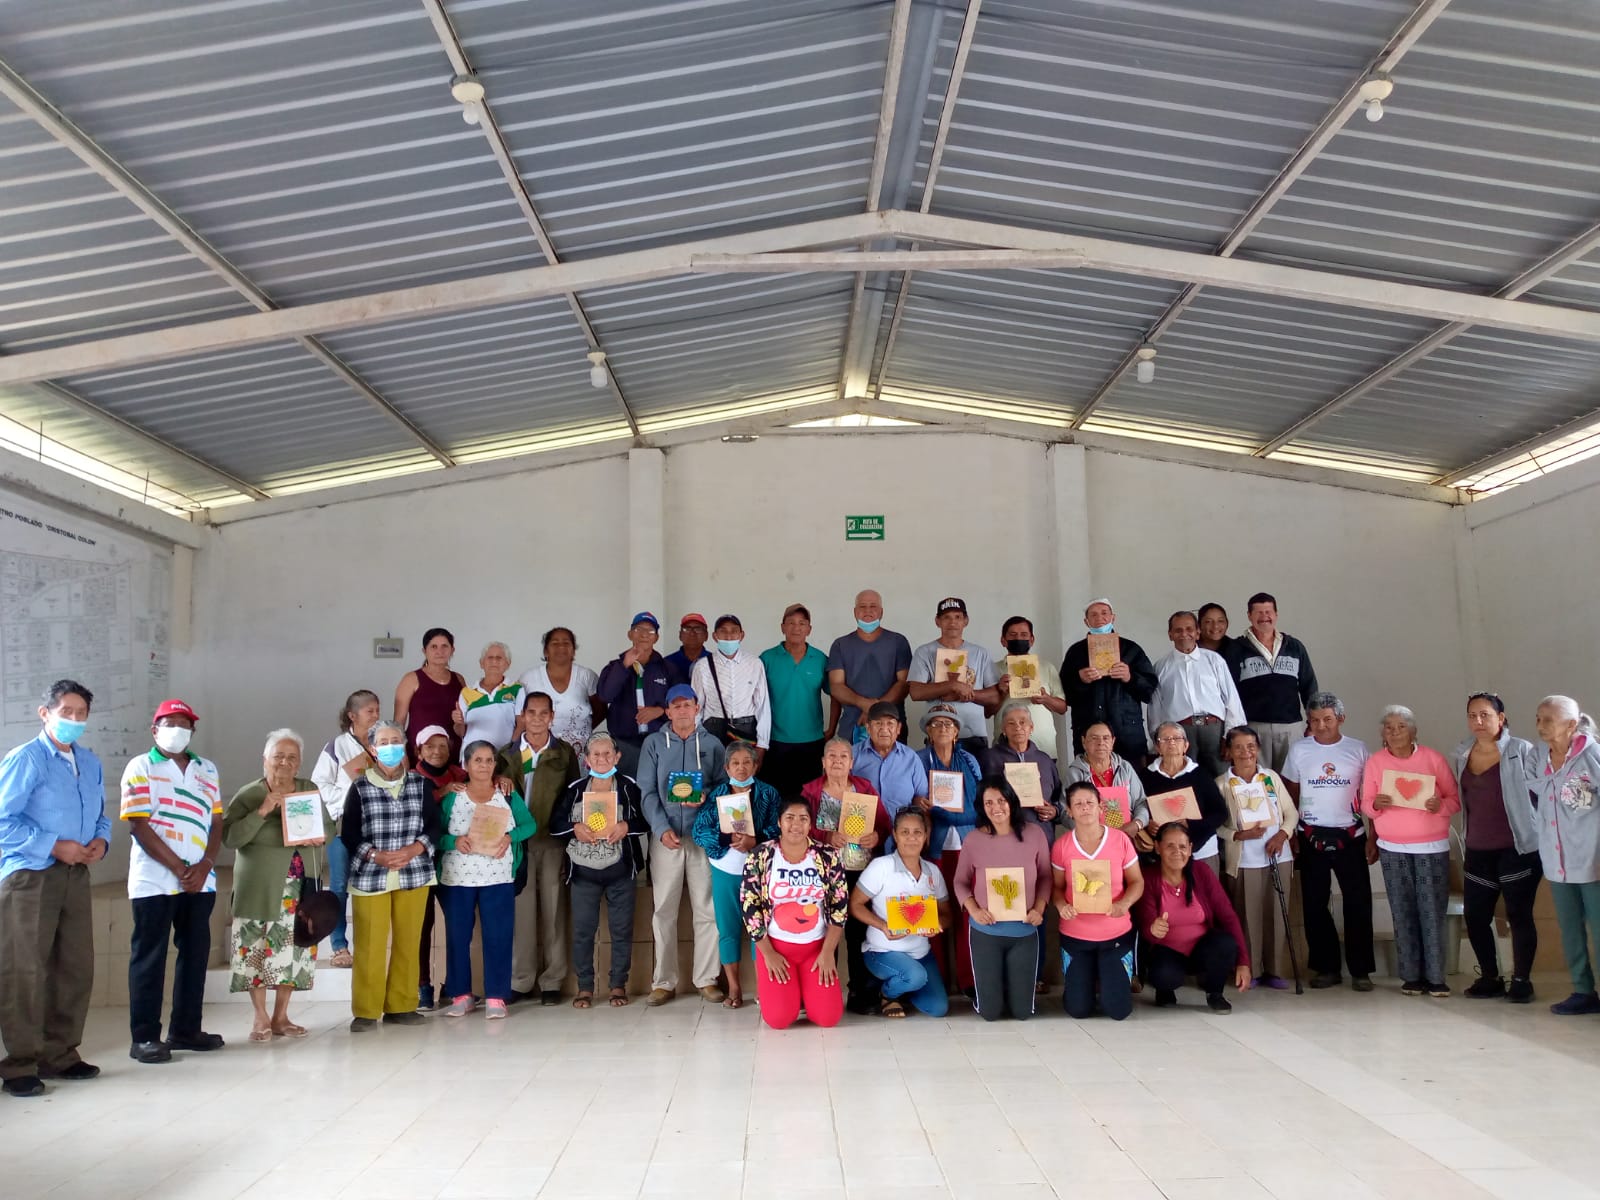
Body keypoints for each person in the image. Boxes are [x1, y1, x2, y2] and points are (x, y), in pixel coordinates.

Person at [0, 680, 108, 1098]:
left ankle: (60, 1054)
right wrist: (52, 845)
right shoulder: (26, 759)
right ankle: (19, 1063)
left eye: (81, 714)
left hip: (75, 874)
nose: (74, 720)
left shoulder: (89, 762)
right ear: (45, 713)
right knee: (25, 969)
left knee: (75, 966)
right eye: (67, 712)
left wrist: (101, 841)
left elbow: (100, 814)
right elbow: (3, 822)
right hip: (30, 876)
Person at [119, 698, 224, 1064]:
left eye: (184, 724)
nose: (178, 730)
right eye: (170, 723)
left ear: (193, 731)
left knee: (195, 956)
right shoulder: (141, 766)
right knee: (150, 957)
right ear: (155, 730)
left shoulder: (206, 769)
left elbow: (216, 822)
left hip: (200, 882)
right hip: (154, 882)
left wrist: (205, 865)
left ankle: (186, 1030)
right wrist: (180, 869)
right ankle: (144, 1037)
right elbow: (138, 824)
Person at [223, 728, 333, 1044]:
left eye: (292, 757)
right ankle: (260, 1016)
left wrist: (319, 836)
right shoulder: (249, 794)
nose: (285, 762)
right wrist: (262, 812)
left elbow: (328, 828)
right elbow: (231, 837)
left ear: (299, 763)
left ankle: (281, 1016)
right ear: (265, 760)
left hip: (300, 885)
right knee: (255, 949)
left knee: (295, 949)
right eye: (278, 756)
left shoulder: (308, 789)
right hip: (260, 885)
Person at [341, 720, 441, 1033]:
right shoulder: (360, 787)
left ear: (405, 746)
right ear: (372, 749)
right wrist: (376, 855)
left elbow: (435, 826)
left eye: (395, 741)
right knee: (370, 946)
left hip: (415, 873)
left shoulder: (421, 784)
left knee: (409, 941)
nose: (390, 747)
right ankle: (366, 1011)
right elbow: (349, 833)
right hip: (371, 875)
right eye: (383, 742)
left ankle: (402, 1006)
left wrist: (414, 849)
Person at [1361, 706, 1461, 997]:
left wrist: (1439, 806)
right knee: (1402, 910)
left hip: (1431, 848)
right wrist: (1375, 805)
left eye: (1401, 726)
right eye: (1389, 727)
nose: (1394, 732)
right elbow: (1365, 803)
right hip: (1392, 848)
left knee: (1432, 910)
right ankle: (1411, 976)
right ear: (1382, 733)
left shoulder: (1433, 759)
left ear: (1414, 731)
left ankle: (1436, 977)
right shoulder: (1375, 762)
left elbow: (1454, 800)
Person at [639, 684, 727, 1005]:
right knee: (663, 909)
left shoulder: (713, 744)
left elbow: (724, 786)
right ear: (667, 711)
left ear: (697, 708)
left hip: (702, 837)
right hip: (666, 839)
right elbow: (647, 792)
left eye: (687, 705)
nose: (682, 711)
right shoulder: (653, 743)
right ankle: (664, 981)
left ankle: (707, 979)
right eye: (675, 706)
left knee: (707, 909)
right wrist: (661, 829)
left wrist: (706, 797)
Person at [1281, 692, 1374, 992]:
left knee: (1358, 903)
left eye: (1328, 719)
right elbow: (1290, 793)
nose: (1321, 726)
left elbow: (1371, 796)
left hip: (1351, 835)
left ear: (1341, 719)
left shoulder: (1358, 749)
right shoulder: (1299, 750)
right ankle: (1326, 967)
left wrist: (1374, 836)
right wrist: (1292, 833)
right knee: (1314, 904)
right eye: (1315, 720)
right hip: (1311, 836)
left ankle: (1361, 971)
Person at [437, 740, 536, 1019]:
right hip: (457, 879)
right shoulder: (453, 797)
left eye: (489, 760)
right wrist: (453, 841)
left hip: (498, 877)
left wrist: (510, 837)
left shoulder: (506, 794)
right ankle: (461, 995)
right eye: (477, 760)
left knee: (498, 936)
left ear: (495, 764)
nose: (483, 765)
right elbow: (435, 834)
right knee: (458, 937)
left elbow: (530, 825)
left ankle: (496, 996)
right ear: (466, 764)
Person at [547, 732, 646, 1008]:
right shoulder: (575, 789)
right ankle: (585, 987)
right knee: (582, 931)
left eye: (607, 754)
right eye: (596, 755)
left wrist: (627, 826)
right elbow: (555, 825)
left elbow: (646, 820)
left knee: (621, 930)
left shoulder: (629, 787)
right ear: (587, 760)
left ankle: (618, 985)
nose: (602, 759)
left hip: (621, 870)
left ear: (617, 757)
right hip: (583, 873)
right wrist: (574, 828)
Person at [1452, 693, 1541, 1002]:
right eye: (1472, 715)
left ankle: (1521, 980)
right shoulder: (1462, 753)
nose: (1478, 721)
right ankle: (1490, 977)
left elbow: (1541, 793)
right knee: (1476, 915)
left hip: (1517, 848)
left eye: (1485, 715)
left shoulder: (1522, 750)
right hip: (1478, 848)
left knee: (1518, 915)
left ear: (1500, 718)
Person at [498, 691, 581, 1005]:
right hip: (517, 842)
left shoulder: (564, 753)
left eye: (543, 713)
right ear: (522, 716)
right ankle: (520, 980)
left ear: (552, 717)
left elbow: (574, 797)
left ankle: (552, 981)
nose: (536, 719)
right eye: (530, 713)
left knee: (553, 908)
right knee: (521, 911)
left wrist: (567, 839)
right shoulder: (506, 754)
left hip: (551, 840)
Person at [740, 796, 849, 1030]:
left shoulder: (827, 856)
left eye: (803, 818)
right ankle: (792, 995)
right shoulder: (761, 855)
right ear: (779, 822)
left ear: (811, 824)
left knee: (828, 1018)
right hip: (777, 949)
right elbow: (750, 907)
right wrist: (768, 953)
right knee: (778, 1020)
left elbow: (839, 908)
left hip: (815, 950)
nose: (796, 824)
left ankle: (807, 993)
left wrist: (828, 952)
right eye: (789, 818)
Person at [803, 736, 890, 1015]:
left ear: (851, 762)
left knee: (857, 932)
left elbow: (884, 824)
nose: (837, 761)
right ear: (823, 762)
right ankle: (823, 993)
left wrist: (876, 836)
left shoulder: (864, 789)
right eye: (832, 756)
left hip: (858, 872)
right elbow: (800, 829)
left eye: (843, 756)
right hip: (823, 873)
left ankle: (860, 993)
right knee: (824, 931)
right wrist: (826, 836)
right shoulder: (812, 791)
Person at [954, 777, 1052, 1021]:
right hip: (986, 931)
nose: (996, 807)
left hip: (1024, 931)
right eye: (989, 802)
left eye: (1001, 800)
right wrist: (974, 910)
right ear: (981, 807)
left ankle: (1012, 991)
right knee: (990, 1013)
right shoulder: (973, 840)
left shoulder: (1034, 834)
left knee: (1022, 1013)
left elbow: (1045, 877)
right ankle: (990, 995)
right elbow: (960, 882)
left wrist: (1039, 909)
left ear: (1011, 801)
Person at [692, 741, 780, 1009]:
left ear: (755, 765)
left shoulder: (768, 793)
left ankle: (763, 987)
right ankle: (734, 987)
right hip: (725, 869)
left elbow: (778, 830)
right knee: (727, 928)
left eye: (747, 762)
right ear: (727, 767)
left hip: (759, 870)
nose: (741, 768)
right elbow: (699, 832)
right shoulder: (715, 795)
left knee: (760, 928)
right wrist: (725, 837)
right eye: (735, 763)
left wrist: (756, 840)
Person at [1528, 696, 1600, 1016]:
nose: (1541, 725)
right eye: (1538, 718)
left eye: (1549, 719)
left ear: (1571, 724)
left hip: (1593, 858)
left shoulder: (1592, 756)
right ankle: (1583, 991)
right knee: (1570, 929)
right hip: (1556, 860)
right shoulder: (1536, 757)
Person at [1051, 781, 1144, 1020]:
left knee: (1118, 1011)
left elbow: (1137, 882)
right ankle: (1084, 983)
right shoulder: (1061, 846)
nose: (1085, 808)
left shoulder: (1120, 840)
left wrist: (1124, 904)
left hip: (1115, 934)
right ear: (1069, 811)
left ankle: (1111, 982)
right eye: (1078, 804)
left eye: (1090, 802)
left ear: (1101, 806)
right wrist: (1061, 906)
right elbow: (1057, 888)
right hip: (1076, 935)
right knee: (1078, 1010)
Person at [1135, 823, 1251, 1012]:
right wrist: (1152, 928)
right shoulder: (1148, 877)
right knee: (1164, 975)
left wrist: (1243, 962)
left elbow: (1228, 916)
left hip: (1201, 950)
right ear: (1157, 847)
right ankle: (1165, 990)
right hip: (1166, 952)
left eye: (1182, 846)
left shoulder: (1201, 872)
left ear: (1190, 849)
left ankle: (1215, 993)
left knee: (1225, 944)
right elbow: (1144, 921)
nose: (1177, 852)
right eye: (1170, 846)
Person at [1217, 726, 1297, 989]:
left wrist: (1282, 835)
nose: (1245, 752)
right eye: (1238, 747)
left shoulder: (1270, 777)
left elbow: (1291, 813)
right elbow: (1217, 827)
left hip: (1278, 856)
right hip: (1245, 861)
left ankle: (1275, 970)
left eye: (1251, 746)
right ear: (1229, 751)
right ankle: (1251, 969)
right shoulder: (1222, 784)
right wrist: (1238, 835)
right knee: (1248, 917)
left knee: (1276, 915)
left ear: (1258, 748)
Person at [852, 808, 952, 1017]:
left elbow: (946, 914)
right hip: (883, 951)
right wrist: (883, 926)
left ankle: (904, 986)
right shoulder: (881, 866)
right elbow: (855, 905)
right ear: (895, 835)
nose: (911, 838)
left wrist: (938, 924)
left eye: (917, 832)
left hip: (921, 953)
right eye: (905, 832)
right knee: (915, 976)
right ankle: (887, 994)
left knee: (938, 1008)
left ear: (926, 836)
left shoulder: (933, 871)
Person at [310, 689, 381, 968]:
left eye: (377, 710)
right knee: (340, 885)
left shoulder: (382, 741)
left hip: (375, 826)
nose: (375, 715)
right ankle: (339, 945)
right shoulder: (337, 746)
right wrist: (348, 796)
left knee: (370, 885)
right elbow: (319, 783)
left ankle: (368, 944)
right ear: (352, 715)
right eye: (369, 711)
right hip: (342, 823)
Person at [915, 703, 981, 996]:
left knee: (967, 912)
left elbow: (979, 802)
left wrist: (961, 815)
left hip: (967, 845)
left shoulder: (969, 760)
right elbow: (911, 794)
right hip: (933, 846)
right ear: (928, 732)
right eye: (936, 724)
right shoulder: (918, 759)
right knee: (933, 914)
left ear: (956, 732)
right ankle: (937, 980)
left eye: (949, 724)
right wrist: (918, 802)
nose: (943, 728)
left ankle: (969, 980)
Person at [1224, 594, 1318, 771]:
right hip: (1254, 728)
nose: (1264, 617)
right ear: (1249, 616)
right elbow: (1229, 693)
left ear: (1276, 614)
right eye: (1259, 612)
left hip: (1291, 727)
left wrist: (1313, 724)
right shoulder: (1236, 649)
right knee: (1258, 779)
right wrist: (1234, 731)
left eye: (1268, 612)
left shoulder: (1294, 646)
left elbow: (1309, 687)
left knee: (1292, 778)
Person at [1147, 611, 1245, 780]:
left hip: (1215, 731)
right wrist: (1158, 739)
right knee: (1186, 779)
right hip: (1181, 733)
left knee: (1223, 780)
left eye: (1189, 629)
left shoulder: (1214, 660)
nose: (1184, 634)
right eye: (1178, 630)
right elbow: (1155, 708)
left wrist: (1230, 735)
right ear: (1170, 635)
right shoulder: (1161, 667)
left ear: (1198, 632)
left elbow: (1231, 699)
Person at [410, 724, 466, 1011]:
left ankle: (453, 984)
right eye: (430, 746)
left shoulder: (460, 775)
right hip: (419, 861)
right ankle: (422, 985)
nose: (437, 751)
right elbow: (415, 811)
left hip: (452, 859)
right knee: (422, 925)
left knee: (457, 923)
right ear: (419, 750)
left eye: (443, 746)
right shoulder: (411, 779)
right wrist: (442, 792)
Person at [1061, 598, 1158, 764]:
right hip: (1088, 733)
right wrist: (1080, 680)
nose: (1100, 618)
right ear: (1086, 621)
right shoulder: (1076, 652)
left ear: (1113, 617)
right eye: (1093, 615)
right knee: (1091, 777)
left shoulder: (1131, 649)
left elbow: (1149, 691)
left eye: (1104, 613)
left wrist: (1129, 677)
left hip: (1127, 732)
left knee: (1131, 776)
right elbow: (1065, 694)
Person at [759, 603, 838, 800]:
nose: (796, 628)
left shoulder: (820, 659)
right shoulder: (767, 659)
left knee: (809, 797)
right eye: (791, 623)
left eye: (802, 623)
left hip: (811, 741)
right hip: (775, 740)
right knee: (776, 797)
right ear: (782, 627)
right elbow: (755, 699)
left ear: (809, 629)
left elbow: (836, 694)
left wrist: (831, 728)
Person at [908, 597, 1000, 758]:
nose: (952, 622)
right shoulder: (924, 652)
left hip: (973, 734)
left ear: (966, 621)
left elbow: (994, 697)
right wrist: (952, 685)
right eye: (946, 617)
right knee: (939, 775)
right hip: (938, 734)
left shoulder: (980, 653)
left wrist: (966, 694)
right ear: (937, 621)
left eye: (958, 617)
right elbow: (915, 692)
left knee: (975, 775)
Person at [596, 612, 685, 778]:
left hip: (660, 742)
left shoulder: (668, 669)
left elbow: (682, 703)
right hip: (624, 744)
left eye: (650, 631)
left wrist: (661, 710)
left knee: (658, 787)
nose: (644, 634)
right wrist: (624, 665)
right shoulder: (615, 667)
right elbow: (605, 695)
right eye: (639, 629)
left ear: (656, 638)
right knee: (627, 788)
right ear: (630, 634)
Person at [1137, 723, 1229, 877]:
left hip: (1202, 853)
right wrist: (1147, 824)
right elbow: (1137, 809)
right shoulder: (1146, 777)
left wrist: (1190, 824)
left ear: (1186, 745)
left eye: (1177, 738)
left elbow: (1220, 813)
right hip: (1164, 855)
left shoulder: (1200, 774)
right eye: (1165, 739)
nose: (1171, 742)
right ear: (1157, 747)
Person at [827, 588, 912, 743]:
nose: (868, 611)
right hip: (852, 728)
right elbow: (836, 686)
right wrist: (863, 704)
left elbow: (904, 683)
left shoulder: (898, 642)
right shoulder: (840, 645)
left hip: (891, 730)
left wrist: (874, 710)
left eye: (873, 606)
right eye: (862, 606)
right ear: (855, 612)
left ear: (881, 612)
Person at [692, 614, 772, 757]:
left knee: (743, 769)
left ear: (741, 635)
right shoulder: (702, 666)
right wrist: (695, 740)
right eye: (723, 631)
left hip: (746, 729)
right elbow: (697, 708)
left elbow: (762, 707)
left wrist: (762, 744)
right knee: (714, 769)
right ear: (715, 636)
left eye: (734, 631)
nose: (729, 636)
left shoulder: (754, 664)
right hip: (713, 729)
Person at [518, 627, 604, 757]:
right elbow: (518, 715)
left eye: (566, 643)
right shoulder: (528, 678)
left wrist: (582, 731)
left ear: (573, 651)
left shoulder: (587, 676)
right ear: (545, 651)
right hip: (540, 753)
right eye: (555, 643)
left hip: (580, 753)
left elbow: (601, 710)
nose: (561, 647)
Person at [1063, 721, 1151, 847]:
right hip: (1092, 841)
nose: (1100, 743)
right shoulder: (1075, 773)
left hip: (1126, 838)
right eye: (1094, 738)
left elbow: (1141, 802)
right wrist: (1090, 831)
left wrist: (1137, 824)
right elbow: (1065, 811)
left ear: (1113, 741)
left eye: (1106, 738)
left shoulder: (1125, 768)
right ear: (1084, 742)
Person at [994, 615, 1068, 760]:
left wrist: (1045, 699)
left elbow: (1062, 708)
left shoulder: (1046, 667)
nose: (1018, 639)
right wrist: (1001, 693)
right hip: (1005, 747)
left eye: (1024, 635)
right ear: (1003, 640)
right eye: (1013, 635)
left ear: (1032, 640)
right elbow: (986, 712)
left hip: (1043, 745)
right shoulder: (993, 669)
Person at [982, 701, 1061, 829]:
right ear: (1003, 729)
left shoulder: (1045, 760)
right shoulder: (989, 758)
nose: (1018, 727)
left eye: (1023, 722)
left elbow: (1058, 797)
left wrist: (1055, 811)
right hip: (1004, 832)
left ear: (1031, 727)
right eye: (1011, 723)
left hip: (1040, 832)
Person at [395, 626, 465, 760]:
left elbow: (464, 717)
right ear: (424, 651)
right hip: (420, 753)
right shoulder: (411, 679)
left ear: (452, 650)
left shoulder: (459, 679)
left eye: (444, 646)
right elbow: (398, 723)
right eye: (434, 647)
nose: (439, 651)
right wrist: (401, 756)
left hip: (451, 751)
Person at [851, 701, 930, 821]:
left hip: (900, 828)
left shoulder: (911, 758)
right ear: (868, 728)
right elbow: (836, 789)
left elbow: (921, 796)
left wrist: (918, 802)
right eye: (878, 723)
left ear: (898, 728)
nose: (884, 729)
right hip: (861, 827)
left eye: (890, 724)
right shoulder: (851, 755)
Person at [454, 642, 523, 755]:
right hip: (472, 757)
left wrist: (510, 752)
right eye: (490, 658)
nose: (494, 661)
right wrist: (458, 722)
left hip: (503, 756)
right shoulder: (467, 692)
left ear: (508, 664)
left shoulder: (516, 689)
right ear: (481, 663)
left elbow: (521, 725)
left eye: (499, 658)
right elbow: (461, 732)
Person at [664, 613, 710, 678]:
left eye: (698, 629)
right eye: (687, 629)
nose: (692, 633)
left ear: (706, 636)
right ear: (680, 635)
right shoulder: (666, 663)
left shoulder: (715, 662)